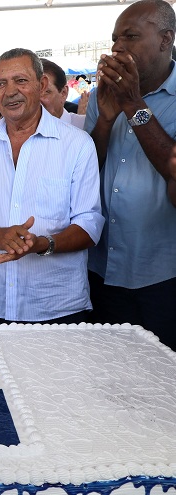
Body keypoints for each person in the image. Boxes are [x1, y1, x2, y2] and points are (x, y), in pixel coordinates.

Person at [0, 48, 104, 324]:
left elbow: (90, 224)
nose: (10, 92)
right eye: (0, 84)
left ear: (41, 84)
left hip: (59, 305)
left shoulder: (77, 145)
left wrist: (43, 244)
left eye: (20, 81)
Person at [86, 0, 176, 349]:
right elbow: (87, 170)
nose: (118, 47)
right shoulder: (101, 96)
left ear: (166, 39)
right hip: (104, 267)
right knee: (111, 376)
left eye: (131, 36)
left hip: (161, 272)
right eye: (115, 39)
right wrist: (106, 119)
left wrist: (134, 105)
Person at [40, 59, 86, 129]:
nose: (36, 100)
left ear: (63, 93)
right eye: (31, 93)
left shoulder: (86, 128)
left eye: (45, 92)